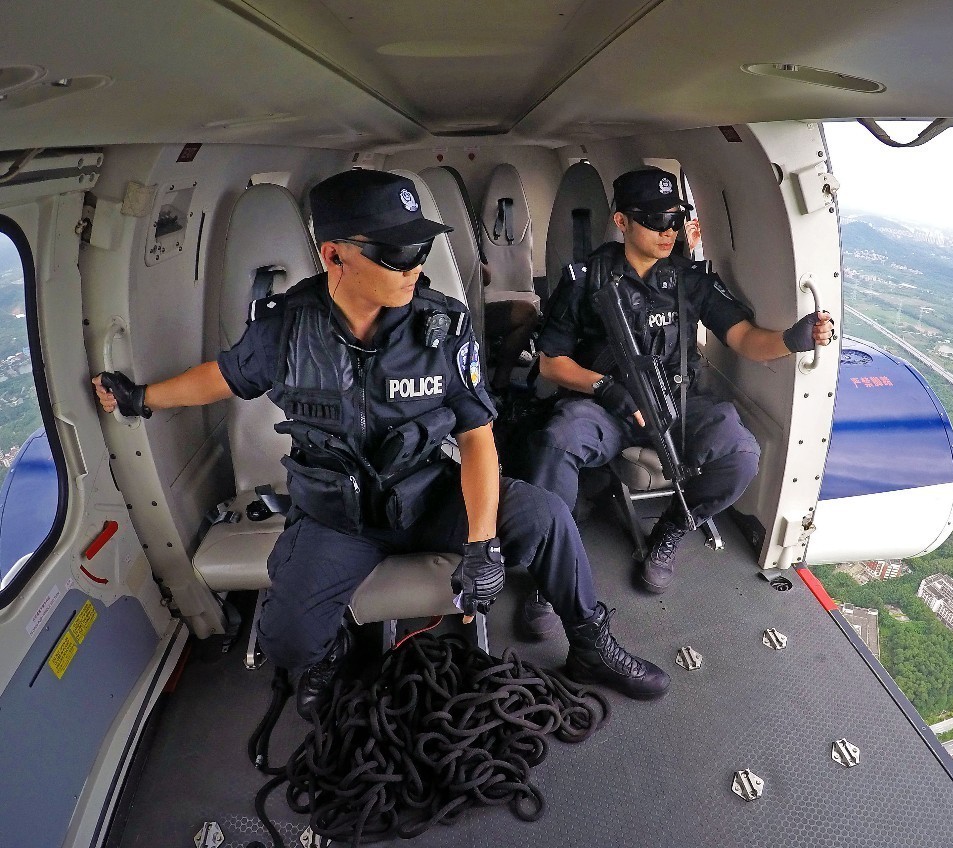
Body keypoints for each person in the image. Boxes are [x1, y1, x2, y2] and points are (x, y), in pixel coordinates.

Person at [92, 169, 669, 713]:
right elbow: (223, 376)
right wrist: (142, 398)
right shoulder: (285, 328)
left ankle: (589, 643)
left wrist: (482, 544)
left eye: (421, 249)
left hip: (429, 493)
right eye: (396, 253)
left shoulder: (443, 326)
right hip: (336, 517)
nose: (415, 266)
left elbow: (476, 435)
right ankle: (330, 652)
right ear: (334, 255)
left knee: (548, 516)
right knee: (287, 640)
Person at [525, 167, 834, 598]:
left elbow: (744, 338)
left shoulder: (691, 281)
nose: (668, 230)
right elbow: (550, 363)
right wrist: (606, 389)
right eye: (655, 220)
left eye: (675, 219)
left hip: (678, 401)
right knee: (558, 440)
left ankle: (670, 529)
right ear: (622, 221)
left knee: (742, 454)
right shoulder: (585, 278)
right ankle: (551, 567)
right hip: (606, 406)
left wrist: (792, 339)